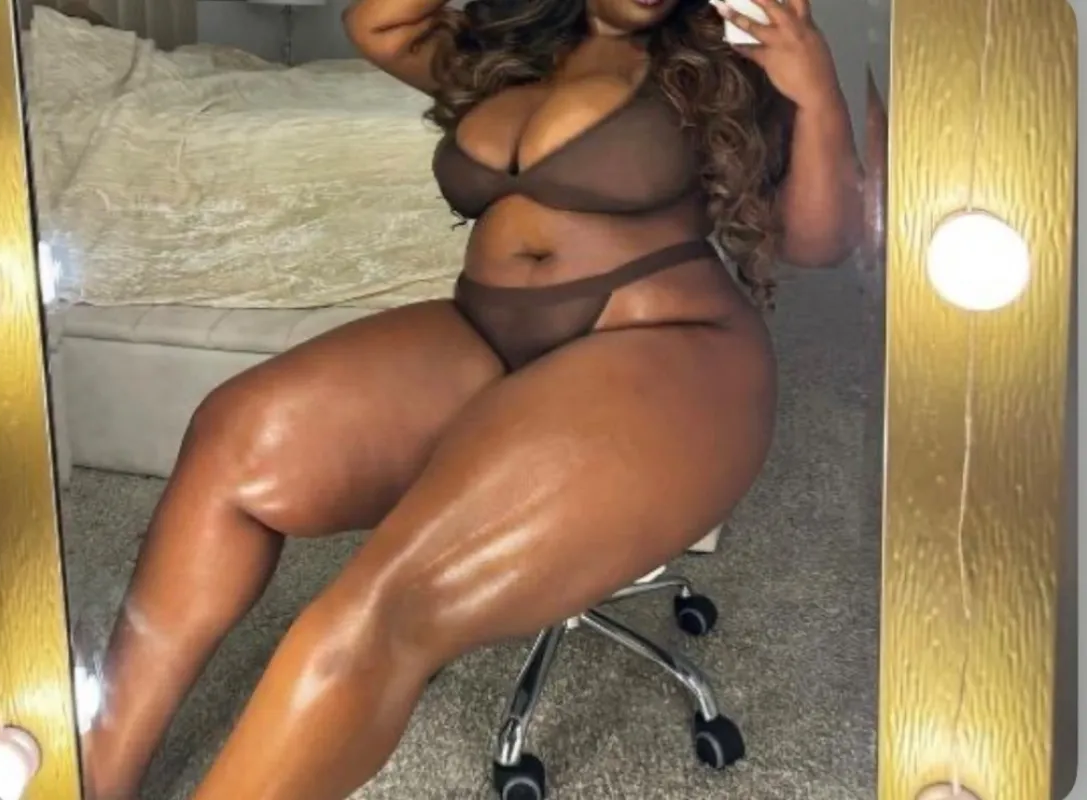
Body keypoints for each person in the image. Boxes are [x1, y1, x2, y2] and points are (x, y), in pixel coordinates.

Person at [82, 0, 861, 796]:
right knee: (234, 439)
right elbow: (378, 22)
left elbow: (820, 242)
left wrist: (814, 86)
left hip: (669, 343)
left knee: (376, 609)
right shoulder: (511, 50)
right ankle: (91, 778)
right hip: (486, 333)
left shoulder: (724, 59)